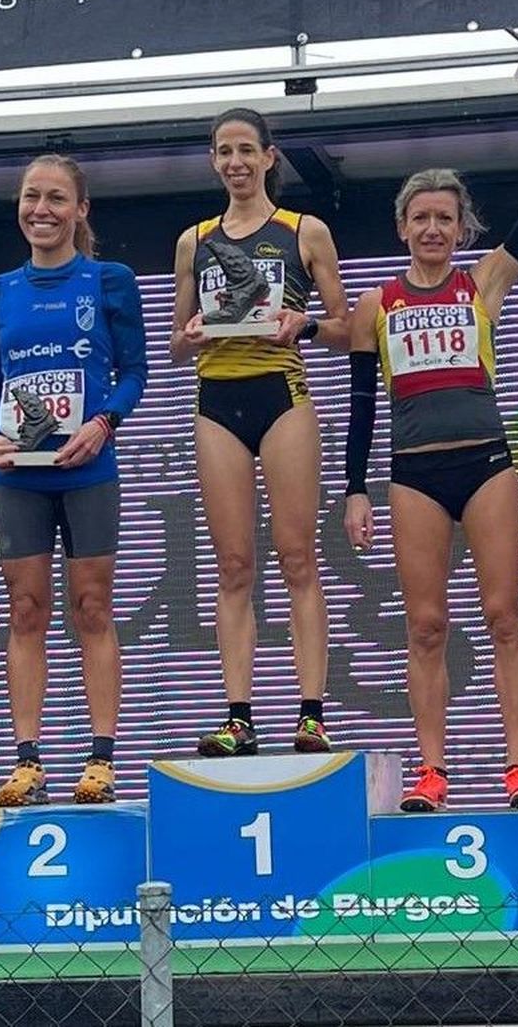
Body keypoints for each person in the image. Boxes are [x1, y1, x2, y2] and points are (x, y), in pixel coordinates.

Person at [344, 72, 518, 812]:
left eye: (445, 217)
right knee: (425, 625)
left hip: (485, 464)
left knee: (504, 614)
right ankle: (432, 772)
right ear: (402, 226)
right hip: (413, 472)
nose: (433, 229)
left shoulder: (482, 284)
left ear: (461, 227)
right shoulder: (375, 304)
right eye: (421, 217)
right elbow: (359, 404)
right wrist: (355, 488)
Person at [170, 108, 350, 756]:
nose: (236, 162)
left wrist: (301, 325)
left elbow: (346, 328)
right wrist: (189, 337)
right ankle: (238, 716)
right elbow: (174, 344)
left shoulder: (305, 232)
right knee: (233, 563)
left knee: (298, 555)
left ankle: (311, 712)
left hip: (282, 391)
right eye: (225, 151)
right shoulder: (194, 239)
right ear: (214, 160)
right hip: (217, 396)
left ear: (270, 157)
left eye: (247, 150)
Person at [0, 155, 148, 806]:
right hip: (21, 471)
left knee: (93, 606)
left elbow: (134, 371)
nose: (40, 210)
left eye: (55, 198)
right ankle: (27, 760)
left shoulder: (109, 280)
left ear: (81, 209)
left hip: (88, 466)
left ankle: (101, 758)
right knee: (25, 609)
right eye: (30, 197)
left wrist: (104, 422)